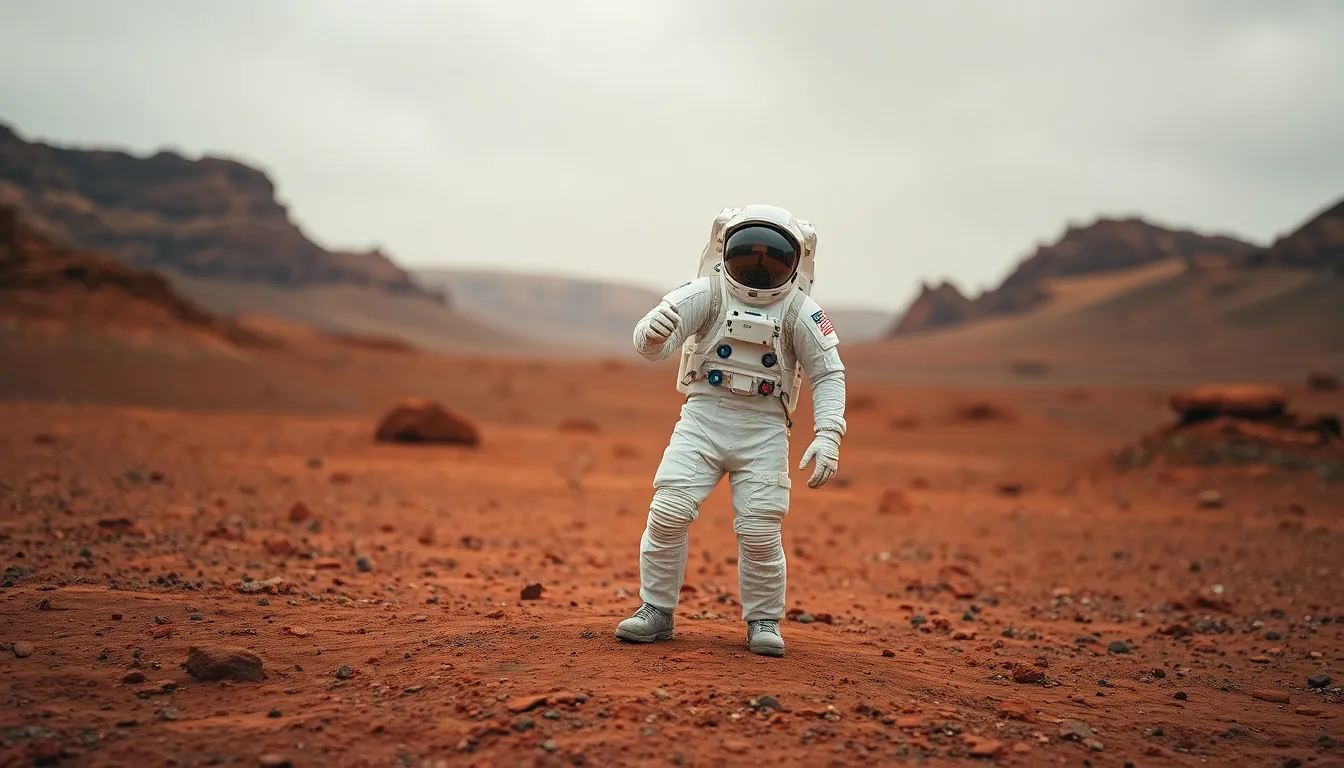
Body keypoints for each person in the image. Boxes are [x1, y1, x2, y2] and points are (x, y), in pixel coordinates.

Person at [615, 204, 847, 657]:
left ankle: (763, 619)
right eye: (749, 254)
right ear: (725, 250)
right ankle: (655, 611)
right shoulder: (708, 293)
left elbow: (828, 373)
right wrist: (652, 333)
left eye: (773, 257)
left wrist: (828, 435)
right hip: (703, 418)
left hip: (764, 430)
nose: (759, 267)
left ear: (795, 262)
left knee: (760, 531)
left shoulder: (801, 311)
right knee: (668, 512)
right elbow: (652, 347)